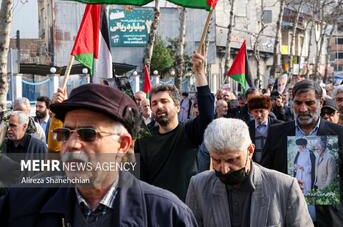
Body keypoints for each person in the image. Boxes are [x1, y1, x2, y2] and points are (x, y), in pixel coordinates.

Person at [0, 84, 198, 226]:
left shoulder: (167, 214)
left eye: (89, 134)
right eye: (65, 134)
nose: (73, 145)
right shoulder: (22, 203)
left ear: (122, 144)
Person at [261, 80, 343, 226]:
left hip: (331, 221)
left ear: (321, 102)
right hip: (287, 220)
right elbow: (265, 178)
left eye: (309, 103)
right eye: (298, 103)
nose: (303, 109)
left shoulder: (342, 135)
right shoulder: (277, 133)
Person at [186, 118, 313, 227]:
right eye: (217, 160)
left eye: (232, 160)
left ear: (250, 150)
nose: (224, 169)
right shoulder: (199, 186)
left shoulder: (284, 187)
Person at [137, 52, 214, 201]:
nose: (159, 106)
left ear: (178, 107)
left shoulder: (189, 132)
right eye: (154, 103)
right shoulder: (144, 139)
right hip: (154, 210)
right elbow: (137, 179)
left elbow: (207, 115)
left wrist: (199, 74)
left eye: (164, 101)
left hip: (186, 208)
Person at [247, 95, 282, 162]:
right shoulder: (247, 127)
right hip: (254, 167)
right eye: (256, 111)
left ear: (268, 111)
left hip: (273, 168)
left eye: (261, 111)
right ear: (251, 112)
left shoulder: (279, 126)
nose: (259, 115)